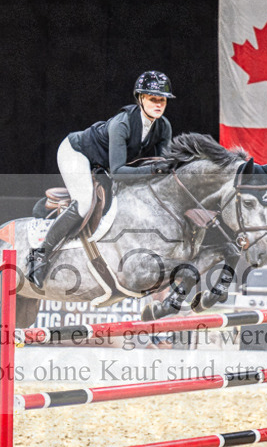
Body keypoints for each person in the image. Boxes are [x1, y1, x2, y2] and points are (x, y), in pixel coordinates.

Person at [26, 70, 175, 288]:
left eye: (162, 99)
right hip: (76, 152)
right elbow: (119, 171)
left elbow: (165, 166)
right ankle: (40, 254)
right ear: (140, 98)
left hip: (100, 164)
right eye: (153, 98)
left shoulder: (164, 126)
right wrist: (154, 170)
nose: (159, 103)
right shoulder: (122, 123)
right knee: (85, 203)